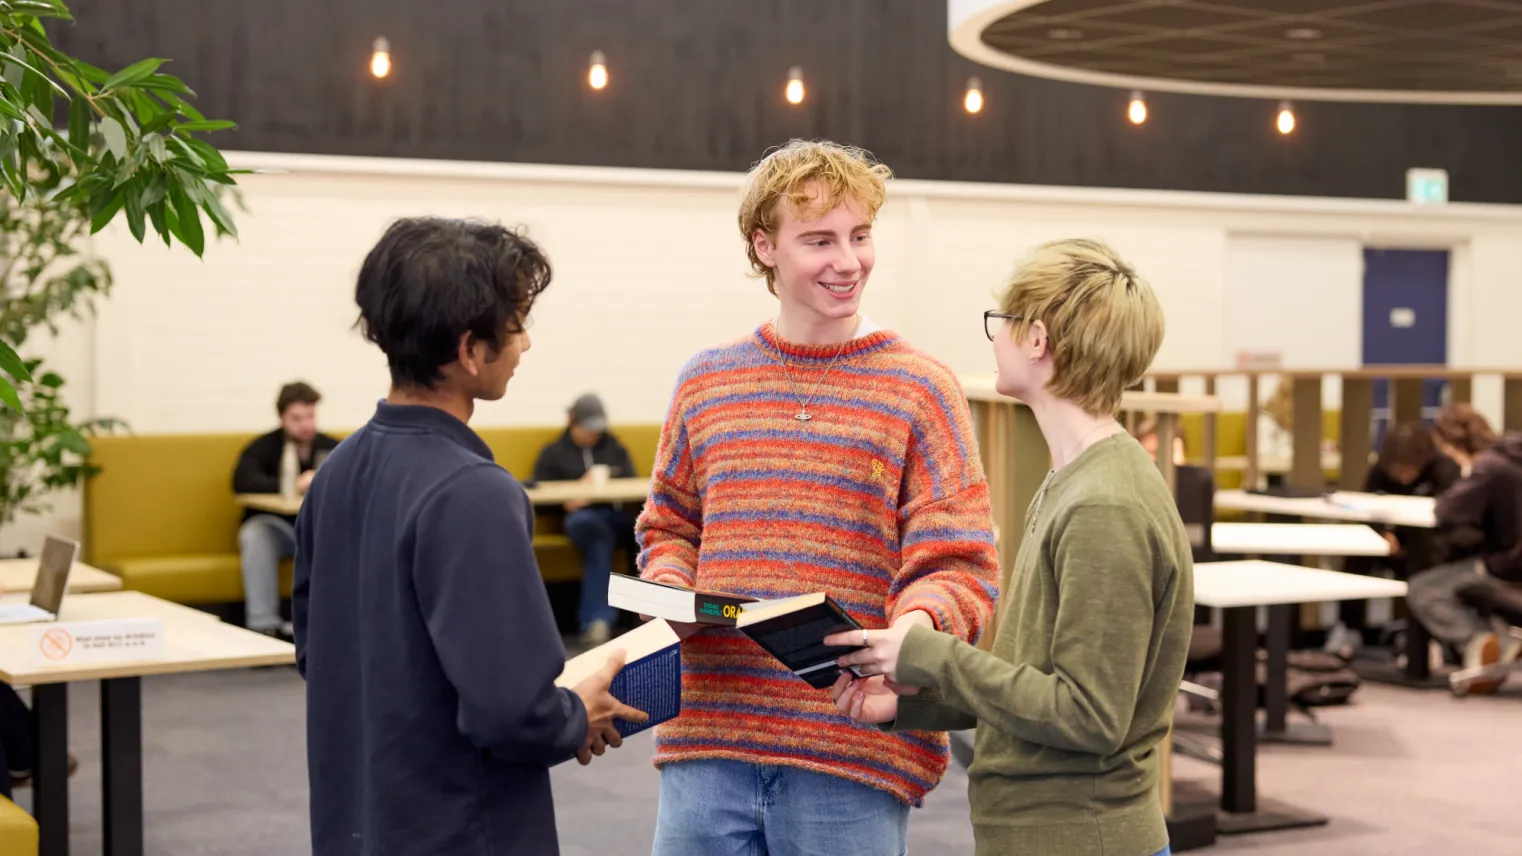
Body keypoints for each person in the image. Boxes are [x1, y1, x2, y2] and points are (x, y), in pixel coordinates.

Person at [635, 139, 999, 855]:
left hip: (851, 748)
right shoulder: (706, 382)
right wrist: (671, 591)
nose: (849, 260)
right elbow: (669, 526)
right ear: (764, 246)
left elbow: (961, 563)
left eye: (861, 236)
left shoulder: (921, 389)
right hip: (709, 741)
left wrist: (911, 633)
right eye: (820, 240)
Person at [293, 217, 645, 856]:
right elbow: (514, 713)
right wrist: (575, 714)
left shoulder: (335, 473)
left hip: (360, 818)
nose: (526, 344)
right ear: (468, 348)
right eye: (516, 325)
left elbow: (319, 656)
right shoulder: (473, 491)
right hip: (460, 829)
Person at [829, 238, 1193, 856]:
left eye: (1003, 321)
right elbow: (1037, 686)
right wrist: (913, 705)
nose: (994, 337)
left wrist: (928, 655)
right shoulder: (1076, 478)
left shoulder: (1104, 505)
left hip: (1081, 837)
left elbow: (1089, 715)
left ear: (1037, 339)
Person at [1407, 404, 1522, 692]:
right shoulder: (1512, 455)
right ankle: (1495, 646)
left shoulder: (1488, 467)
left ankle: (1480, 641)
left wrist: (1468, 473)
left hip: (1508, 567)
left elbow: (1447, 510)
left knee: (1425, 588)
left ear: (1450, 444)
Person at [1329, 422, 1461, 652]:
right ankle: (1349, 627)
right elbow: (1366, 507)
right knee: (1357, 555)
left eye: (1407, 468)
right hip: (1394, 543)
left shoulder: (1445, 470)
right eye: (1396, 469)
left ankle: (1424, 638)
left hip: (1434, 549)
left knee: (1427, 564)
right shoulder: (1380, 471)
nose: (1401, 475)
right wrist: (1384, 532)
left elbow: (1455, 520)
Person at [230, 381, 341, 638]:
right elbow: (242, 481)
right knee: (255, 533)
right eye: (296, 418)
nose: (305, 424)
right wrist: (293, 483)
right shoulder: (262, 447)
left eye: (310, 416)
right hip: (279, 529)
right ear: (282, 417)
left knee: (347, 535)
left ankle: (329, 630)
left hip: (319, 529)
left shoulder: (332, 447)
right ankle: (263, 627)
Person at [533, 392, 638, 646]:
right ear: (573, 422)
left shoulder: (614, 447)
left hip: (617, 516)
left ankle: (652, 617)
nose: (594, 435)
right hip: (581, 519)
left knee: (647, 530)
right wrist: (566, 501)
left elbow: (632, 482)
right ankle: (596, 621)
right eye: (589, 429)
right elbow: (540, 499)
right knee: (594, 531)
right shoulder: (554, 453)